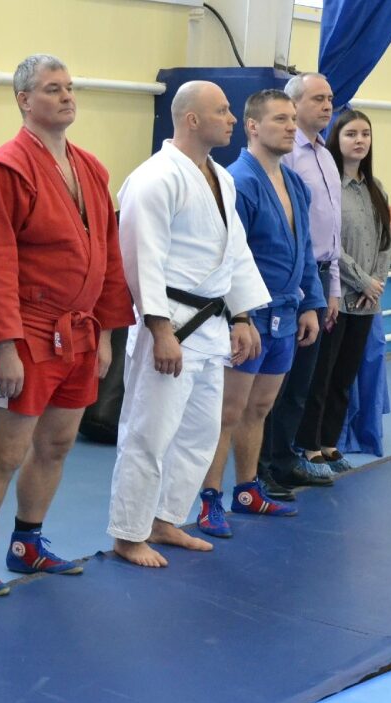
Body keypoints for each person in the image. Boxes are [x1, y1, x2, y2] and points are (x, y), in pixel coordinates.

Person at [0, 54, 135, 594]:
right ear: (24, 100)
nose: (66, 96)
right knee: (6, 452)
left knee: (57, 444)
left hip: (80, 332)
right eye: (52, 88)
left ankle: (27, 544)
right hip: (29, 332)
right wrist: (5, 345)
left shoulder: (90, 168)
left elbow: (109, 256)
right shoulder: (2, 171)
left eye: (69, 87)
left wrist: (106, 334)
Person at [107, 81, 269, 568]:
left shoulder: (221, 177)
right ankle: (128, 533)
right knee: (148, 433)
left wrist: (242, 314)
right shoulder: (154, 178)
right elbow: (141, 258)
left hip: (212, 324)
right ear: (192, 119)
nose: (232, 118)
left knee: (199, 433)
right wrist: (159, 330)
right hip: (171, 324)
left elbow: (234, 250)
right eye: (222, 111)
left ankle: (164, 519)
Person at [197, 89, 325, 539]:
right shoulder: (239, 182)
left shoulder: (294, 184)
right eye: (280, 120)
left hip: (285, 314)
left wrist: (311, 303)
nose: (292, 127)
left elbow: (305, 249)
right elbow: (229, 258)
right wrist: (241, 316)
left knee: (260, 408)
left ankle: (247, 489)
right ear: (252, 126)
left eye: (293, 119)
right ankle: (209, 498)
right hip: (248, 316)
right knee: (228, 412)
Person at [259, 72, 343, 493]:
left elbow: (330, 232)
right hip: (288, 283)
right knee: (274, 384)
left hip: (320, 275)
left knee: (300, 383)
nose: (327, 106)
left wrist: (332, 289)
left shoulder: (326, 156)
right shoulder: (287, 157)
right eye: (317, 99)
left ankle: (284, 457)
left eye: (330, 99)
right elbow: (293, 233)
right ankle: (261, 466)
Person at [295, 110, 391, 472]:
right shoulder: (330, 185)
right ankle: (308, 446)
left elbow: (385, 243)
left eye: (365, 134)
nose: (360, 140)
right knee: (321, 375)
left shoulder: (376, 188)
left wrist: (375, 284)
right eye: (351, 134)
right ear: (337, 139)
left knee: (345, 376)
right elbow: (330, 243)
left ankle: (330, 442)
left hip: (367, 303)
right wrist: (361, 280)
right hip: (338, 297)